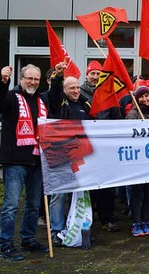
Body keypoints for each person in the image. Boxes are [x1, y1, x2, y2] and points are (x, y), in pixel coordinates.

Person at [0, 64, 50, 261]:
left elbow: (54, 100)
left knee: (33, 204)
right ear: (21, 79)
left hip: (37, 160)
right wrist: (2, 83)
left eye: (36, 79)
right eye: (29, 78)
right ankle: (4, 243)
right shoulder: (12, 97)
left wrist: (56, 80)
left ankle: (28, 239)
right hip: (15, 160)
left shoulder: (41, 101)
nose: (33, 82)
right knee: (11, 205)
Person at [46, 65, 93, 246]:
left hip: (80, 155)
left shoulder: (83, 104)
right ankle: (56, 231)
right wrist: (58, 77)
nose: (75, 90)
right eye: (71, 88)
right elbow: (54, 93)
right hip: (60, 155)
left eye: (77, 87)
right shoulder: (58, 104)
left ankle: (79, 227)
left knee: (81, 193)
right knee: (59, 194)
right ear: (64, 90)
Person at [125, 86, 149, 236]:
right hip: (138, 160)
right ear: (136, 99)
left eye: (147, 96)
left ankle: (146, 221)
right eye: (141, 97)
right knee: (137, 192)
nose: (145, 99)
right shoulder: (133, 114)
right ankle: (136, 222)